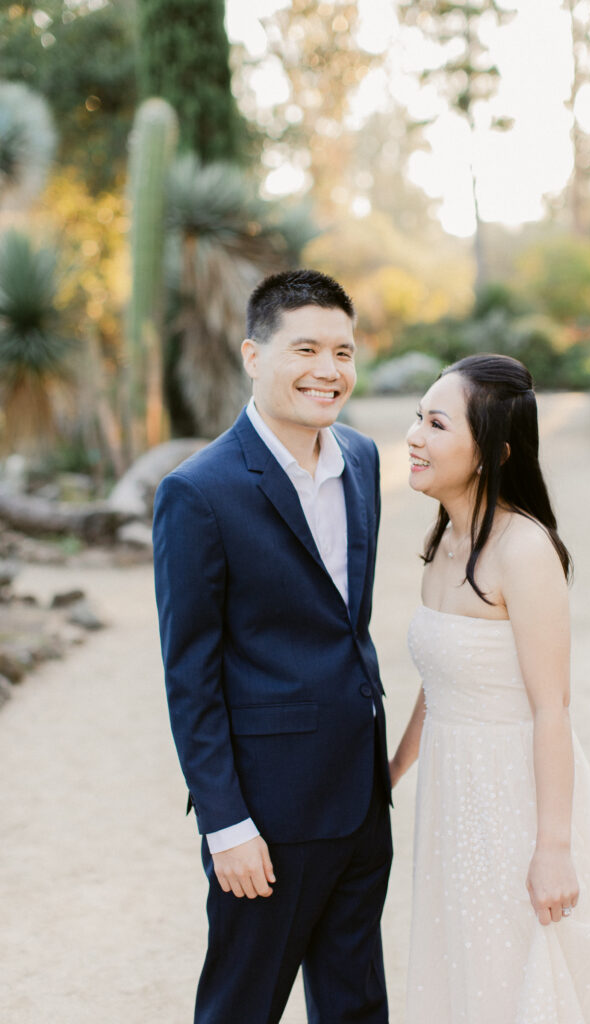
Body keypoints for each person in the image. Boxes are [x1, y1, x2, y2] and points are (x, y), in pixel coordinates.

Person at [153, 269, 392, 1024]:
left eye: (344, 353)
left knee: (354, 1004)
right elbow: (189, 674)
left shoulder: (363, 459)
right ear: (254, 356)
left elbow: (344, 624)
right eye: (308, 349)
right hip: (268, 813)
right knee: (241, 1006)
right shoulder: (199, 492)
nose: (329, 370)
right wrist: (226, 825)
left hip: (360, 797)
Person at [390, 354, 590, 1023]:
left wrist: (552, 849)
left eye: (435, 424)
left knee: (517, 971)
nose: (413, 435)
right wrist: (389, 772)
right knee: (467, 965)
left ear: (489, 452)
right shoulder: (442, 542)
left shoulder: (523, 550)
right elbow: (439, 681)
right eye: (417, 417)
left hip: (514, 795)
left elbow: (551, 707)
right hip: (453, 790)